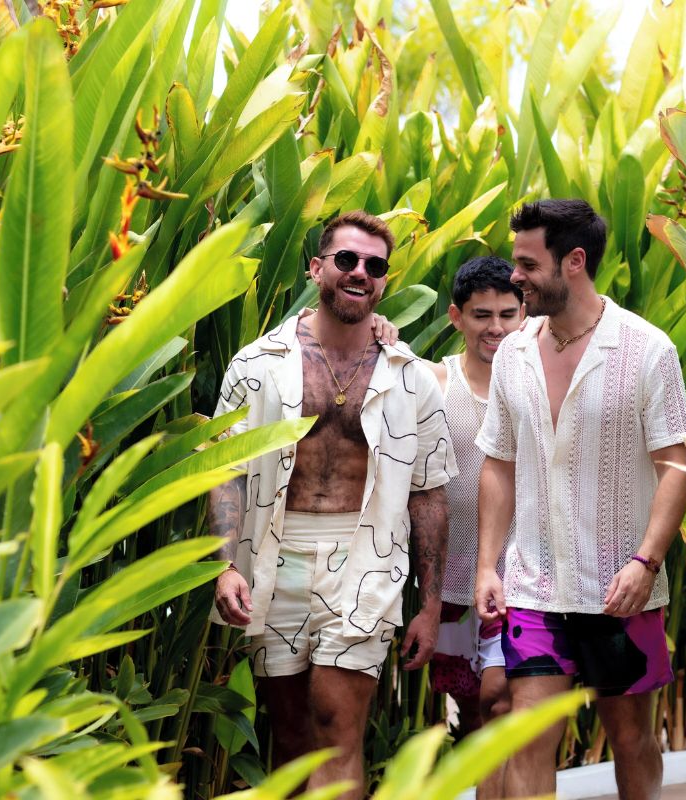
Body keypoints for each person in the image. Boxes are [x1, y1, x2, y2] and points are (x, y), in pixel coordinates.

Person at [208, 210, 455, 799]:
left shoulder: (410, 376)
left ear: (384, 282)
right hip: (273, 557)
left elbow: (429, 492)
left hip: (366, 557)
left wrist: (431, 604)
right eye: (347, 259)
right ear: (317, 267)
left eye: (375, 266)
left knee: (336, 726)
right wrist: (224, 565)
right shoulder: (256, 365)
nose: (360, 272)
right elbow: (226, 472)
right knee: (292, 740)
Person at [475, 199, 686, 800]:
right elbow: (497, 462)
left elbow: (677, 467)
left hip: (621, 589)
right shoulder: (513, 354)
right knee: (526, 733)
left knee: (630, 739)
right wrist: (488, 565)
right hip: (533, 586)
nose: (514, 275)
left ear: (574, 261)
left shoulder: (647, 350)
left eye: (526, 263)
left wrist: (645, 562)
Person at [425, 256, 525, 797]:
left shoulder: (539, 386)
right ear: (455, 317)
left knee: (503, 702)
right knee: (473, 712)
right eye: (482, 314)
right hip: (451, 589)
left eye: (509, 313)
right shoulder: (435, 382)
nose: (496, 327)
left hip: (520, 582)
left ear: (526, 313)